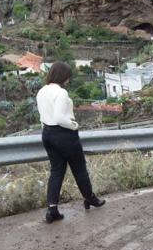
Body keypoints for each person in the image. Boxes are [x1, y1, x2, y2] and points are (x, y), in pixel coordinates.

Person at [36, 62, 105, 223]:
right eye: (68, 76)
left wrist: (49, 130)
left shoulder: (42, 91)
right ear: (63, 76)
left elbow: (43, 116)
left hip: (47, 134)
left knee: (56, 171)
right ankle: (90, 198)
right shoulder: (61, 93)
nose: (69, 79)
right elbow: (60, 118)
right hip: (64, 135)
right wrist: (74, 125)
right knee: (79, 169)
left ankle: (52, 209)